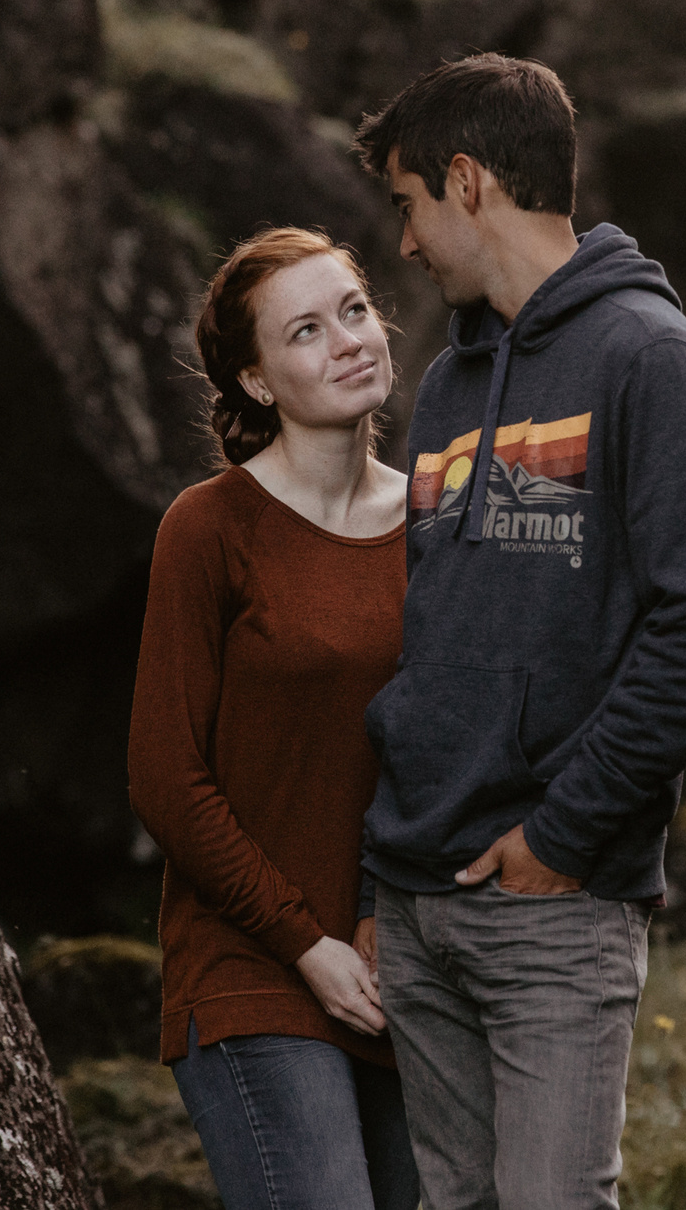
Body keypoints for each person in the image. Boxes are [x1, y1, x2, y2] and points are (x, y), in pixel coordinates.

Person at [350, 53, 686, 1210]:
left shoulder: (651, 359)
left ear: (467, 181)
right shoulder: (447, 383)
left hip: (551, 905)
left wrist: (566, 834)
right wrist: (379, 886)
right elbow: (429, 637)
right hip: (415, 900)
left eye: (408, 205)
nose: (405, 244)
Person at [127, 226, 422, 1210]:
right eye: (305, 331)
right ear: (256, 381)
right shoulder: (209, 529)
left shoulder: (438, 522)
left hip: (402, 973)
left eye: (353, 310)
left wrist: (384, 926)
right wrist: (305, 942)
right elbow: (165, 777)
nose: (348, 341)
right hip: (251, 970)